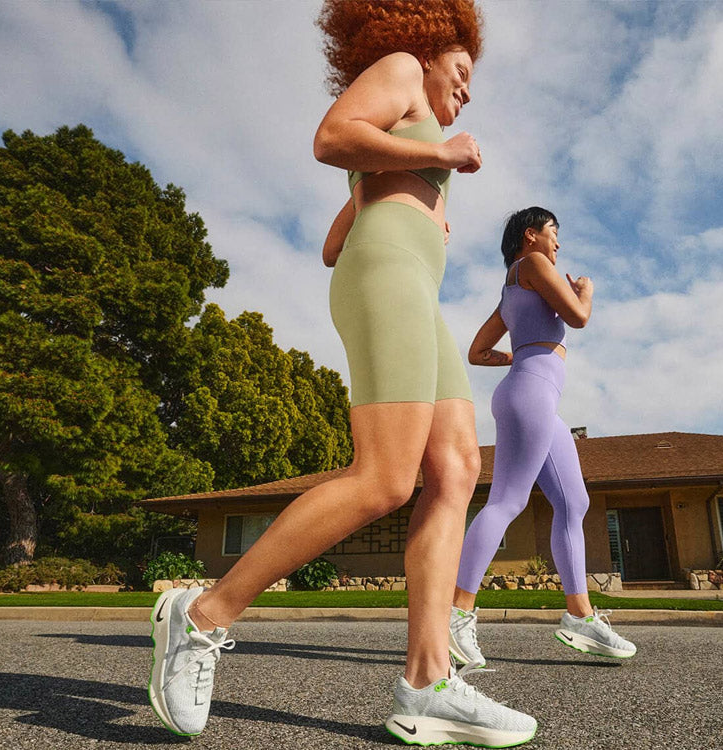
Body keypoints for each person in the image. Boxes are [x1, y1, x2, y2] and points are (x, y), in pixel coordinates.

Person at [148, 2, 537, 746]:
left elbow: (334, 241)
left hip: (411, 285)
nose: (468, 89)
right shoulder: (399, 74)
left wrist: (408, 197)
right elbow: (331, 138)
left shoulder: (408, 130)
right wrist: (441, 162)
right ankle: (201, 617)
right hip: (386, 279)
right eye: (463, 71)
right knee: (388, 478)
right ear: (426, 48)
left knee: (455, 470)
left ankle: (428, 685)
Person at [447, 207, 637, 672]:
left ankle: (580, 616)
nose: (558, 245)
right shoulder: (533, 265)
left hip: (533, 396)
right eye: (554, 234)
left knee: (574, 504)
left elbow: (476, 352)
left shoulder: (512, 287)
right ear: (530, 235)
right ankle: (455, 615)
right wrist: (586, 294)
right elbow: (578, 318)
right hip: (530, 394)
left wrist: (515, 357)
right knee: (507, 502)